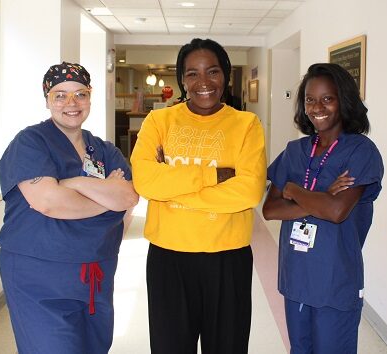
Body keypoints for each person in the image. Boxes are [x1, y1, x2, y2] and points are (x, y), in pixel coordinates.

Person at [130, 38, 267, 354]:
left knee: (227, 347)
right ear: (182, 79)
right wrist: (213, 176)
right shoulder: (159, 121)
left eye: (213, 71)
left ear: (226, 76)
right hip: (169, 258)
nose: (203, 82)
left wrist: (171, 189)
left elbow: (248, 191)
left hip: (227, 258)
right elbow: (146, 181)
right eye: (192, 73)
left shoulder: (246, 124)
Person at [0, 61, 138, 354]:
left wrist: (71, 182)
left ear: (90, 97)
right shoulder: (30, 142)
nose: (71, 103)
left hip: (95, 273)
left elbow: (127, 198)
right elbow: (49, 202)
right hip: (39, 276)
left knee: (94, 348)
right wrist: (104, 195)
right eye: (60, 95)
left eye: (80, 94)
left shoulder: (104, 150)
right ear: (47, 99)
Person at [262, 63, 384, 354]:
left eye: (327, 98)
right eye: (310, 99)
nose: (317, 107)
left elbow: (336, 211)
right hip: (295, 276)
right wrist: (318, 197)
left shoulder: (360, 151)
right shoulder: (294, 151)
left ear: (344, 100)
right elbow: (270, 209)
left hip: (335, 280)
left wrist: (293, 191)